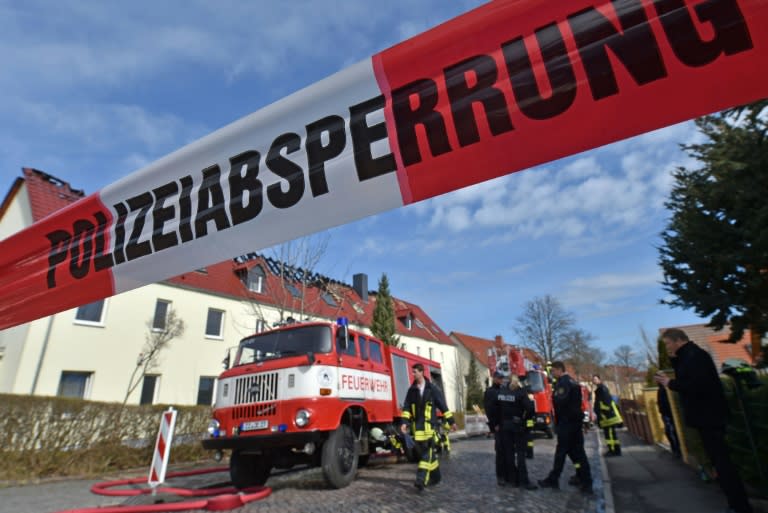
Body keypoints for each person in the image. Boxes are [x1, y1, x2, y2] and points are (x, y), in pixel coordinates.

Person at [654, 328, 753, 513]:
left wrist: (670, 383)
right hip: (706, 417)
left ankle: (740, 506)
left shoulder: (695, 356)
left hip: (710, 417)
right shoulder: (688, 356)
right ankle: (735, 504)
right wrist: (675, 361)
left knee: (723, 463)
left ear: (677, 341)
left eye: (667, 343)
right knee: (719, 463)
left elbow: (697, 385)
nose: (666, 347)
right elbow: (687, 378)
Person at [538, 361, 593, 494]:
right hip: (573, 423)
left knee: (562, 453)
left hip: (567, 423)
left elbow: (559, 400)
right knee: (576, 453)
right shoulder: (572, 382)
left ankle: (555, 478)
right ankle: (582, 477)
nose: (552, 374)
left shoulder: (564, 383)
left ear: (559, 370)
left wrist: (554, 396)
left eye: (553, 371)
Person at [401, 363, 456, 491]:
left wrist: (451, 421)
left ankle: (420, 480)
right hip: (418, 430)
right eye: (412, 372)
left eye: (414, 372)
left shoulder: (432, 389)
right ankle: (436, 477)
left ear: (421, 372)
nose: (412, 374)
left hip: (430, 429)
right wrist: (404, 422)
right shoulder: (411, 390)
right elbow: (407, 407)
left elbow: (443, 406)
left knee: (426, 454)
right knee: (425, 455)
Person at [489, 374, 538, 490]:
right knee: (521, 454)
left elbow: (492, 409)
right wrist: (525, 420)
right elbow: (530, 408)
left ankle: (512, 479)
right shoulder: (520, 393)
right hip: (518, 425)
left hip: (504, 426)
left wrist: (496, 423)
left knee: (509, 453)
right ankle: (523, 480)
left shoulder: (500, 393)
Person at [484, 371, 506, 484]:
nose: (501, 380)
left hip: (506, 424)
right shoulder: (490, 392)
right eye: (499, 378)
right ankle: (500, 476)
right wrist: (494, 425)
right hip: (498, 425)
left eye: (502, 378)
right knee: (500, 452)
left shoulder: (504, 390)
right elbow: (489, 410)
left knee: (507, 451)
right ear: (494, 378)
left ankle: (508, 474)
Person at [592, 374, 623, 457]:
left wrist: (600, 410)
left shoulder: (602, 389)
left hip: (607, 416)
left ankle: (613, 451)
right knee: (611, 434)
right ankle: (616, 450)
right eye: (593, 379)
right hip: (607, 416)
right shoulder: (600, 389)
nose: (594, 381)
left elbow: (606, 403)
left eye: (595, 379)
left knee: (609, 434)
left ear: (599, 379)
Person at [656, 384, 681, 458]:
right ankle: (675, 449)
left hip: (669, 414)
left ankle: (677, 449)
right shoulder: (660, 390)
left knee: (671, 431)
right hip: (665, 414)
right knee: (669, 431)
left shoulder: (668, 389)